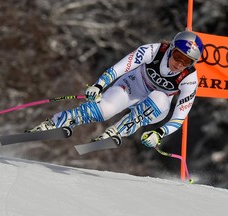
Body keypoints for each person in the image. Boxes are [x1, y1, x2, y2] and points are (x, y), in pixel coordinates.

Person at [27, 30, 204, 148]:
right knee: (104, 111)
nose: (179, 63)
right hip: (133, 85)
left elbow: (180, 116)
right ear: (171, 49)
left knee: (159, 97)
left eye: (186, 61)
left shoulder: (189, 79)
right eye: (178, 56)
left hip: (157, 107)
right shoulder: (153, 50)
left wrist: (159, 133)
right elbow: (120, 68)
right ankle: (58, 121)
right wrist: (99, 85)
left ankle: (118, 130)